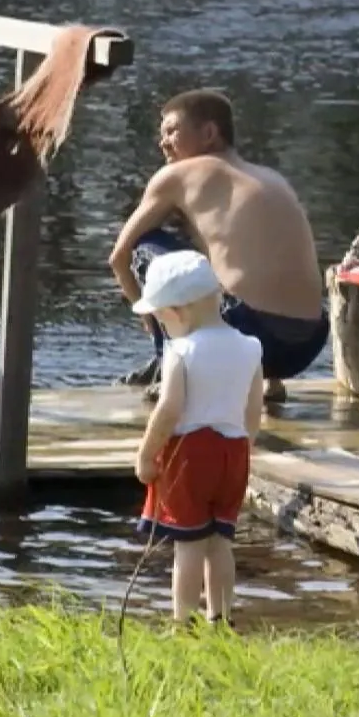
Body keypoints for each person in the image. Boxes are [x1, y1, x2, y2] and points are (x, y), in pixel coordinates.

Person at [108, 89, 327, 402]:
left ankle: (169, 366)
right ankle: (271, 382)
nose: (163, 142)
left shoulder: (176, 175)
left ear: (209, 133)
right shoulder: (271, 177)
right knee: (220, 260)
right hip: (307, 345)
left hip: (251, 336)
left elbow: (119, 256)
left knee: (145, 245)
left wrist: (152, 318)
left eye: (172, 131)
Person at [132, 250, 264, 627]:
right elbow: (253, 409)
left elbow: (168, 411)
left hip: (190, 454)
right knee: (220, 543)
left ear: (177, 312)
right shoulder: (250, 347)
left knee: (188, 546)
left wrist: (146, 455)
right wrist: (246, 447)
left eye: (159, 318)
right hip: (234, 451)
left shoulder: (181, 351)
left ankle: (182, 621)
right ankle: (220, 617)